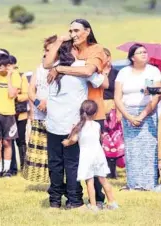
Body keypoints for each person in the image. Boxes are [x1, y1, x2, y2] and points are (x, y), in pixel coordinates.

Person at [44, 19, 108, 208]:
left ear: (88, 31)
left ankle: (56, 200)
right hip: (75, 123)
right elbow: (101, 81)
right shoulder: (75, 66)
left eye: (76, 31)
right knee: (73, 163)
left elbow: (91, 73)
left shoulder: (93, 52)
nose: (72, 36)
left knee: (58, 163)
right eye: (70, 32)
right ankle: (75, 200)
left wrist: (59, 68)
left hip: (81, 118)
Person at [114, 43, 161, 190]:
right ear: (132, 57)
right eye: (140, 52)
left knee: (148, 147)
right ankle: (133, 183)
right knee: (132, 148)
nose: (144, 54)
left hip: (148, 112)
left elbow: (156, 95)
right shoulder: (124, 72)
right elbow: (117, 97)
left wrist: (142, 115)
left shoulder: (153, 71)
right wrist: (127, 116)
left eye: (145, 52)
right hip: (128, 111)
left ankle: (148, 183)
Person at [62, 100, 118, 211]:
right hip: (98, 155)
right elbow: (98, 138)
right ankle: (112, 202)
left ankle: (93, 206)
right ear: (95, 113)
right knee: (103, 180)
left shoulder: (78, 127)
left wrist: (66, 142)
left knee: (90, 182)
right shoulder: (97, 125)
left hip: (86, 156)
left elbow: (73, 140)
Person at [22, 37, 56, 183]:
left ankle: (56, 179)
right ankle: (42, 179)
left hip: (55, 115)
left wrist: (48, 104)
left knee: (54, 150)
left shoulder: (61, 68)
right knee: (40, 151)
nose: (45, 52)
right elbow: (31, 90)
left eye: (48, 50)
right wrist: (38, 102)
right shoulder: (39, 68)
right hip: (39, 114)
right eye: (45, 50)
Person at [0, 54, 21, 177]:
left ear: (7, 66)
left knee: (7, 142)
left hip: (9, 114)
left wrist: (8, 76)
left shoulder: (15, 75)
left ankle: (7, 170)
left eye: (2, 66)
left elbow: (12, 94)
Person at [102, 48, 120, 179]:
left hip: (113, 106)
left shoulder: (117, 73)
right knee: (102, 138)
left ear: (109, 57)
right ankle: (103, 168)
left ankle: (112, 170)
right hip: (98, 106)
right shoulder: (96, 73)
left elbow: (119, 93)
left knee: (114, 138)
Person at [10, 55, 29, 172]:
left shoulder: (22, 77)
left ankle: (23, 166)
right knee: (8, 141)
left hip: (20, 114)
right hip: (8, 114)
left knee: (21, 140)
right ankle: (11, 167)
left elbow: (26, 95)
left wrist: (16, 96)